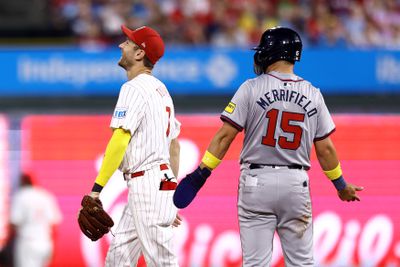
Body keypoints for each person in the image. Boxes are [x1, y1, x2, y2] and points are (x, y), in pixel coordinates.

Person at [173, 27, 364, 266]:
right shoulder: (313, 94)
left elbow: (224, 137)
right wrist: (341, 185)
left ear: (270, 53)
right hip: (295, 183)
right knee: (302, 263)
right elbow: (325, 149)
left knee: (255, 263)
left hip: (256, 182)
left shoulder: (251, 88)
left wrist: (201, 173)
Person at [82, 25, 182, 266]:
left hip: (148, 183)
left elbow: (119, 139)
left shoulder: (133, 88)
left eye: (127, 42)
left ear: (139, 53)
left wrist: (97, 189)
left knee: (161, 261)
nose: (121, 45)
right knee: (118, 258)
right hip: (156, 183)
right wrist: (170, 195)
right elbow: (175, 147)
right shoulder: (162, 90)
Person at [10, 173, 62, 267]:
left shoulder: (21, 196)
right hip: (45, 242)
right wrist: (53, 245)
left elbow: (14, 222)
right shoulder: (45, 195)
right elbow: (54, 224)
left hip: (28, 242)